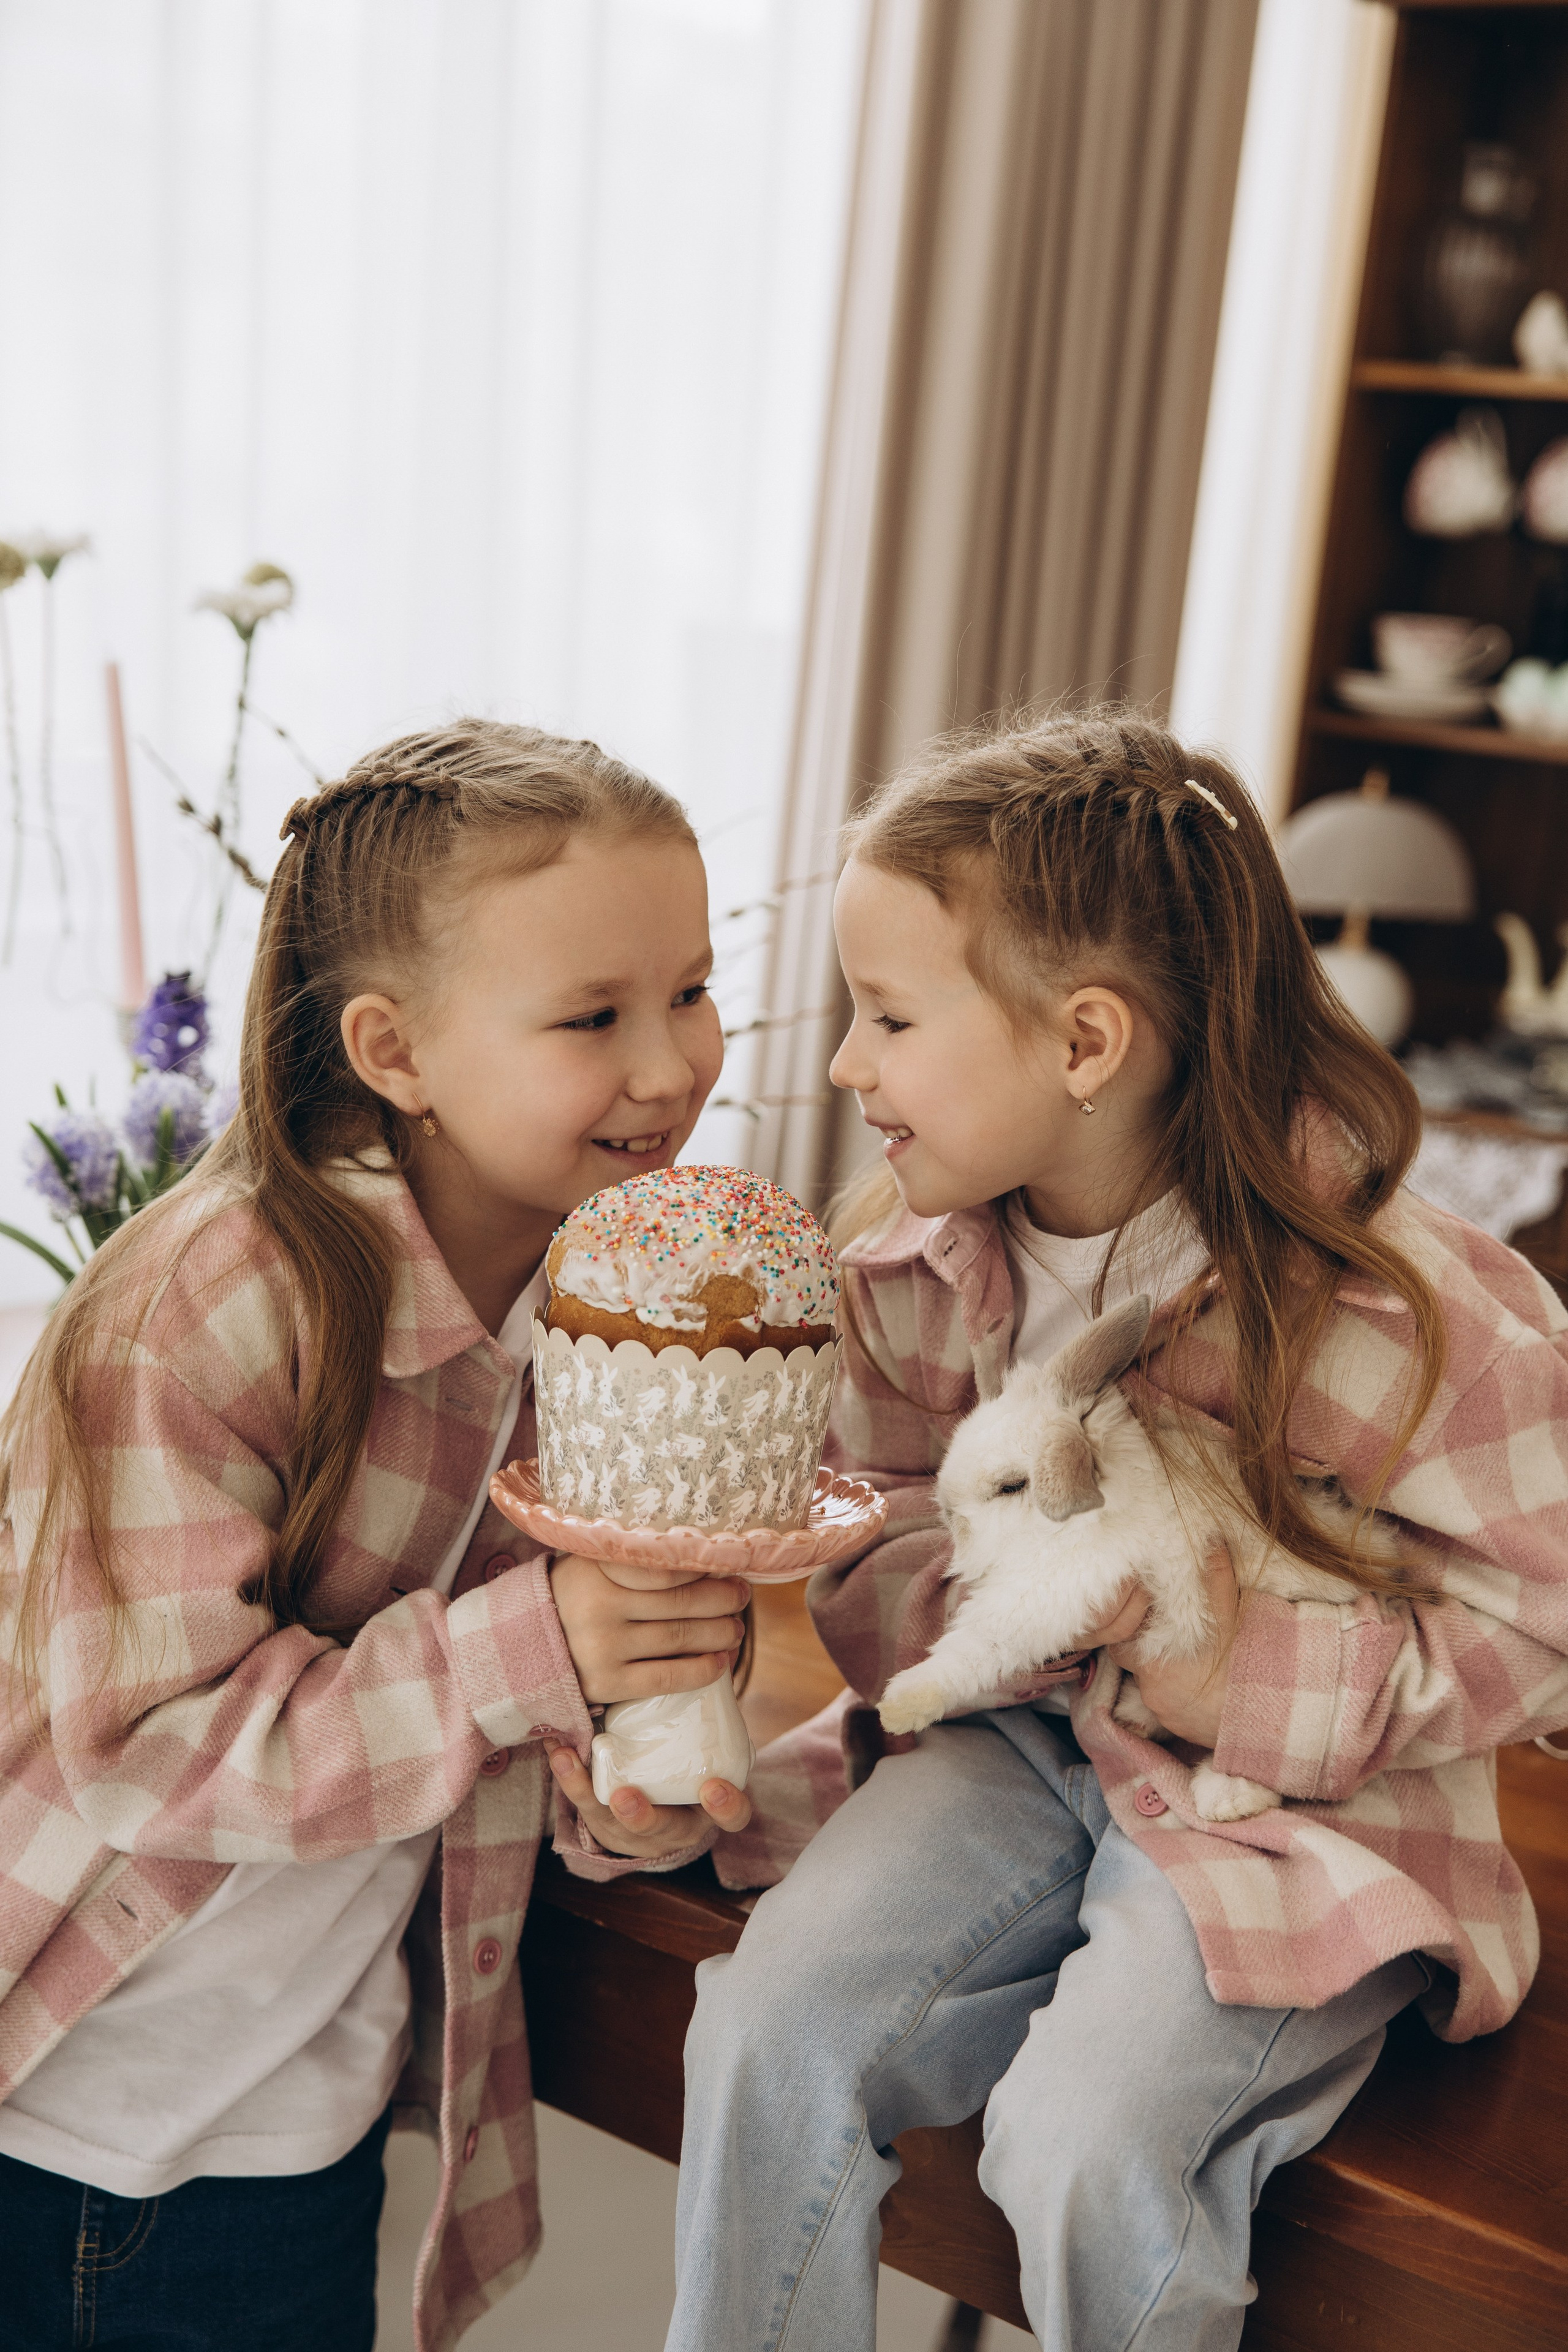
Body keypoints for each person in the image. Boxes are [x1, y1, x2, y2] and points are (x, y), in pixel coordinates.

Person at [668, 712, 1568, 2352]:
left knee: (1086, 2146)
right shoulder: (902, 1270)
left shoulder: (1399, 1312)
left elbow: (1540, 1622)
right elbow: (868, 1556)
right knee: (765, 2037)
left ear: (1085, 1042)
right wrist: (994, 1603)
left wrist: (1232, 1664)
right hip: (1015, 1747)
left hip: (1292, 1804)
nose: (846, 1064)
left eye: (889, 1017)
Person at [0, 720, 754, 2352]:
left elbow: (582, 1761)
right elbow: (152, 1749)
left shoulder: (613, 1316)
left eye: (690, 990)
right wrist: (540, 1645)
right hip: (80, 2142)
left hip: (297, 2137)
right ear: (394, 1052)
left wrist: (654, 1739)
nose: (671, 1065)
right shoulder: (200, 1307)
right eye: (592, 1017)